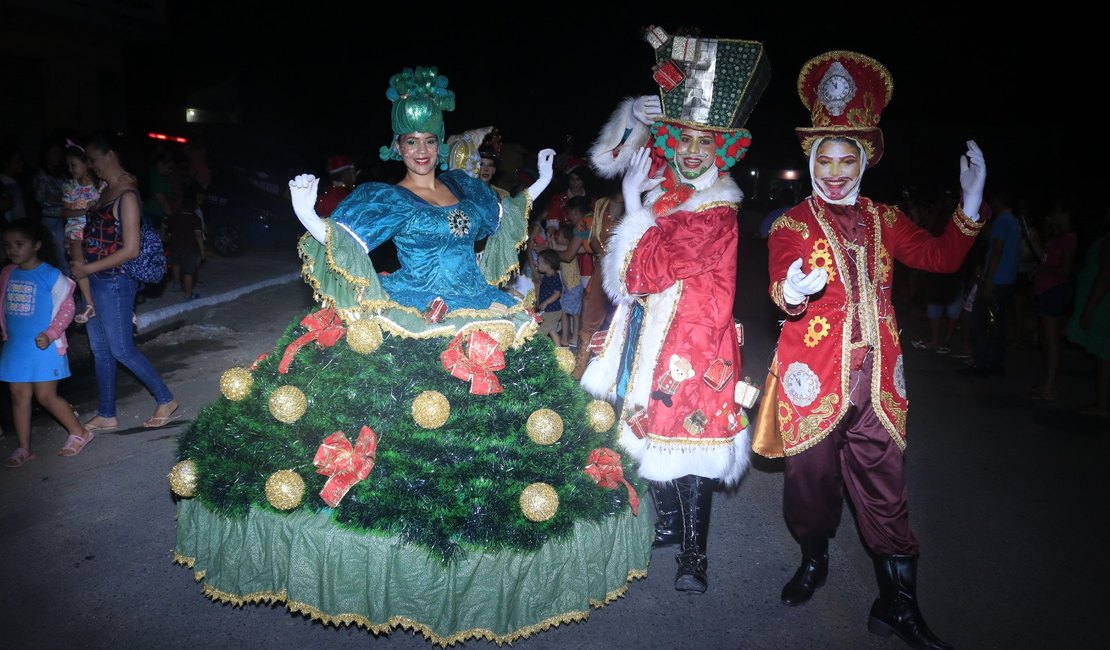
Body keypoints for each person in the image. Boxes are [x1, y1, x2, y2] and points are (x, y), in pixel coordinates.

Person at [172, 66, 653, 643]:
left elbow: (499, 218)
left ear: (439, 143)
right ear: (396, 145)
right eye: (411, 141)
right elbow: (343, 242)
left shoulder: (468, 188)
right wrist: (306, 213)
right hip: (413, 309)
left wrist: (541, 181)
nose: (421, 151)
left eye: (429, 141)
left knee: (502, 424)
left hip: (478, 305)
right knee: (402, 422)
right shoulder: (385, 197)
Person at [757, 51, 986, 649]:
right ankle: (813, 559)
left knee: (887, 491)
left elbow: (940, 258)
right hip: (813, 378)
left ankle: (898, 604)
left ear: (864, 161)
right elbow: (781, 283)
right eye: (824, 159)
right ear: (811, 162)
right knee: (809, 486)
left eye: (845, 159)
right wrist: (792, 292)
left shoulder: (885, 218)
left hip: (879, 383)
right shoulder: (791, 224)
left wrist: (968, 208)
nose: (834, 171)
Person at [581, 26, 771, 593]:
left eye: (704, 144)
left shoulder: (715, 211)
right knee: (644, 433)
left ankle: (695, 555)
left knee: (688, 450)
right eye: (681, 139)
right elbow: (609, 159)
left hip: (692, 346)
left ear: (724, 150)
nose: (691, 151)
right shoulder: (668, 184)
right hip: (647, 337)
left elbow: (639, 273)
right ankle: (666, 527)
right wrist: (636, 120)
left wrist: (635, 210)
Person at [69, 132, 179, 432]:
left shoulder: (127, 195)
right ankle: (107, 414)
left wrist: (87, 268)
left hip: (115, 281)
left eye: (93, 160)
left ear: (110, 155)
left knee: (120, 349)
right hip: (94, 280)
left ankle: (165, 398)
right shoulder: (106, 190)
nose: (91, 166)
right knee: (100, 350)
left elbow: (130, 250)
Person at [1, 218, 90, 466]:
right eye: (8, 245)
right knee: (18, 395)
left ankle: (80, 432)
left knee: (46, 396)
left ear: (37, 245)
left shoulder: (51, 275)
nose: (12, 250)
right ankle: (23, 448)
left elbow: (67, 308)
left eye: (20, 243)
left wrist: (51, 333)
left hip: (45, 346)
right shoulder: (7, 273)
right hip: (16, 346)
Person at [962, 187, 1021, 376]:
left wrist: (987, 279)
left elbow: (997, 250)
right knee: (998, 323)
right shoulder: (1015, 222)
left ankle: (983, 362)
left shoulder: (1002, 222)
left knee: (977, 319)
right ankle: (995, 362)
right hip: (1008, 278)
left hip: (996, 279)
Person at [572, 188, 624, 379]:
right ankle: (580, 366)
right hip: (602, 269)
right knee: (590, 318)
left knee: (619, 322)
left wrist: (617, 261)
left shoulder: (639, 199)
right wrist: (604, 257)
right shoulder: (602, 202)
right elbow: (593, 237)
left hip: (626, 271)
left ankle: (612, 374)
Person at [1028, 203, 1077, 401]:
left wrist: (1043, 270)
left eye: (1056, 211)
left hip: (1055, 291)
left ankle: (1050, 387)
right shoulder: (1058, 237)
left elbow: (1066, 270)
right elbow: (1046, 259)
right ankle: (1048, 383)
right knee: (1045, 339)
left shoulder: (1069, 238)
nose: (1052, 215)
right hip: (1046, 290)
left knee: (1052, 340)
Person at [1066, 207, 1110, 418]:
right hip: (1102, 304)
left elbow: (1105, 277)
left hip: (1103, 307)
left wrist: (1089, 308)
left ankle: (1103, 404)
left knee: (1104, 355)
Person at [62, 141, 105, 324]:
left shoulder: (101, 185)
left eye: (74, 165)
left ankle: (121, 307)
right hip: (76, 231)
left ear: (87, 164)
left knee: (104, 266)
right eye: (68, 166)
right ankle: (89, 304)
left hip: (99, 230)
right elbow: (65, 212)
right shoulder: (69, 186)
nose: (71, 169)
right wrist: (85, 210)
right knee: (77, 264)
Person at [32, 138, 70, 276]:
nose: (57, 156)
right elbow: (42, 199)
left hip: (66, 219)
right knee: (59, 255)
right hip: (51, 220)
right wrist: (63, 198)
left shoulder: (63, 174)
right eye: (54, 153)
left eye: (59, 153)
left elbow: (70, 196)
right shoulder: (41, 175)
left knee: (67, 253)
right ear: (46, 155)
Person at [164, 183, 206, 300]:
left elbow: (164, 225)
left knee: (176, 264)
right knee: (188, 271)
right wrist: (202, 251)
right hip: (189, 249)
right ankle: (188, 295)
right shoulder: (195, 219)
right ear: (193, 207)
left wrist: (163, 237)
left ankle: (177, 284)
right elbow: (198, 235)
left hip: (174, 247)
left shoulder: (174, 216)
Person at [534, 248, 564, 345]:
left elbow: (557, 293)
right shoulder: (546, 276)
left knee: (540, 332)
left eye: (539, 263)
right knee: (552, 331)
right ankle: (559, 351)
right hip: (550, 311)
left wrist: (546, 302)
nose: (537, 265)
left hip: (552, 311)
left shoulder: (554, 277)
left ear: (548, 265)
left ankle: (539, 351)